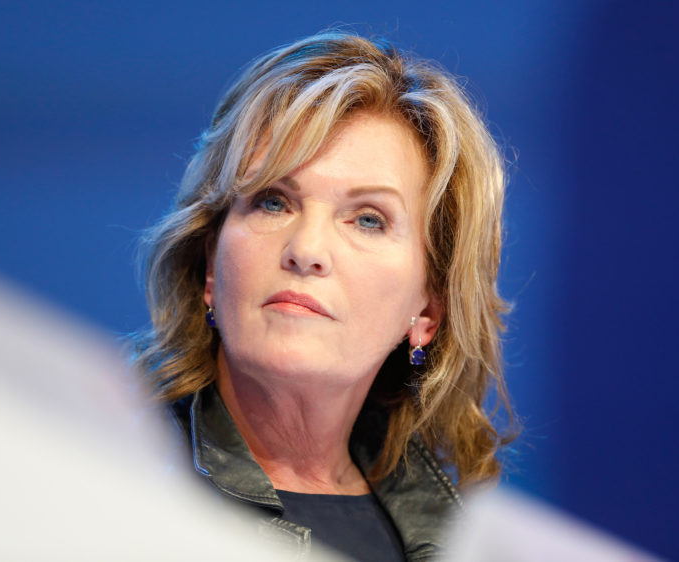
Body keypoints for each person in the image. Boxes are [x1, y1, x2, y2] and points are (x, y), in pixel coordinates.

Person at [134, 30, 518, 561]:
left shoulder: (461, 541)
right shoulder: (109, 470)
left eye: (368, 219)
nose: (306, 250)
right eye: (273, 202)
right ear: (211, 265)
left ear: (428, 311)